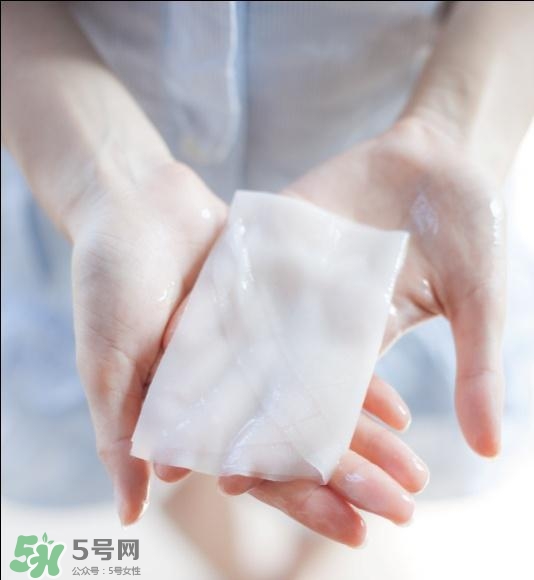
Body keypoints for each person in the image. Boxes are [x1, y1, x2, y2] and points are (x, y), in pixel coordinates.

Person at [2, 0, 533, 553]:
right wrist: (103, 175)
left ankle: (297, 558)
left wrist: (452, 132)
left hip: (385, 183)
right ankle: (227, 557)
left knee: (338, 437)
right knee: (180, 437)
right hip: (76, 165)